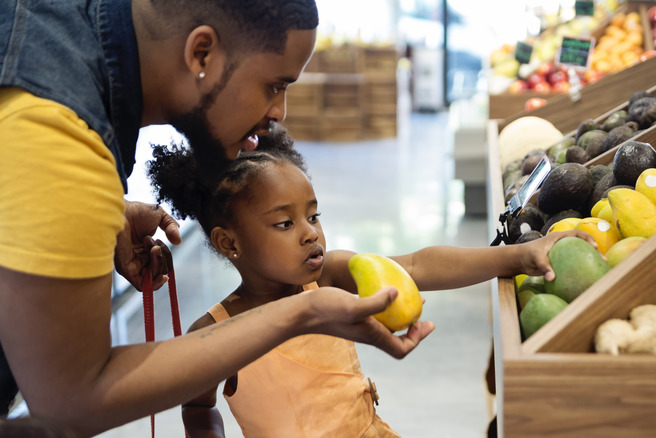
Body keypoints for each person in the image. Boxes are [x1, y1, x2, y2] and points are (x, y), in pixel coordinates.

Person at [0, 1, 433, 435]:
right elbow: (70, 399)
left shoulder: (56, 38)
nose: (279, 111)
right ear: (202, 54)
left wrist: (96, 213)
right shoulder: (56, 129)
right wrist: (300, 313)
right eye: (274, 85)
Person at [146, 126, 599, 437]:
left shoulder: (325, 279)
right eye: (285, 224)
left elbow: (419, 267)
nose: (311, 232)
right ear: (230, 243)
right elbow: (199, 405)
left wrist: (517, 255)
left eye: (313, 215)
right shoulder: (214, 333)